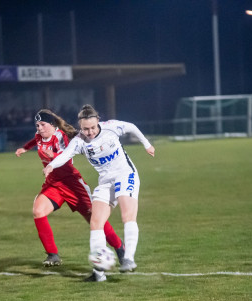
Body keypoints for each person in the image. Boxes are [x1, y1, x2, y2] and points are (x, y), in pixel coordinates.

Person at [43, 104, 155, 282]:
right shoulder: (79, 141)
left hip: (125, 175)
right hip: (105, 182)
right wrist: (51, 165)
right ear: (80, 127)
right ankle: (99, 273)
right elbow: (65, 155)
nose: (90, 132)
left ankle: (128, 259)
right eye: (85, 129)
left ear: (98, 122)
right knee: (96, 223)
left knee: (127, 215)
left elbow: (131, 127)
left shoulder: (111, 127)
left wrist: (147, 145)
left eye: (93, 127)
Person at [16, 109, 125, 267]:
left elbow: (66, 156)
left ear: (52, 124)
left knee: (94, 218)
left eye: (42, 124)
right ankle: (53, 254)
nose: (39, 128)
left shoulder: (60, 136)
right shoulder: (38, 136)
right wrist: (25, 148)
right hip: (53, 184)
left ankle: (119, 246)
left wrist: (53, 157)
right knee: (38, 211)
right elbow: (35, 142)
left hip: (72, 183)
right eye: (37, 125)